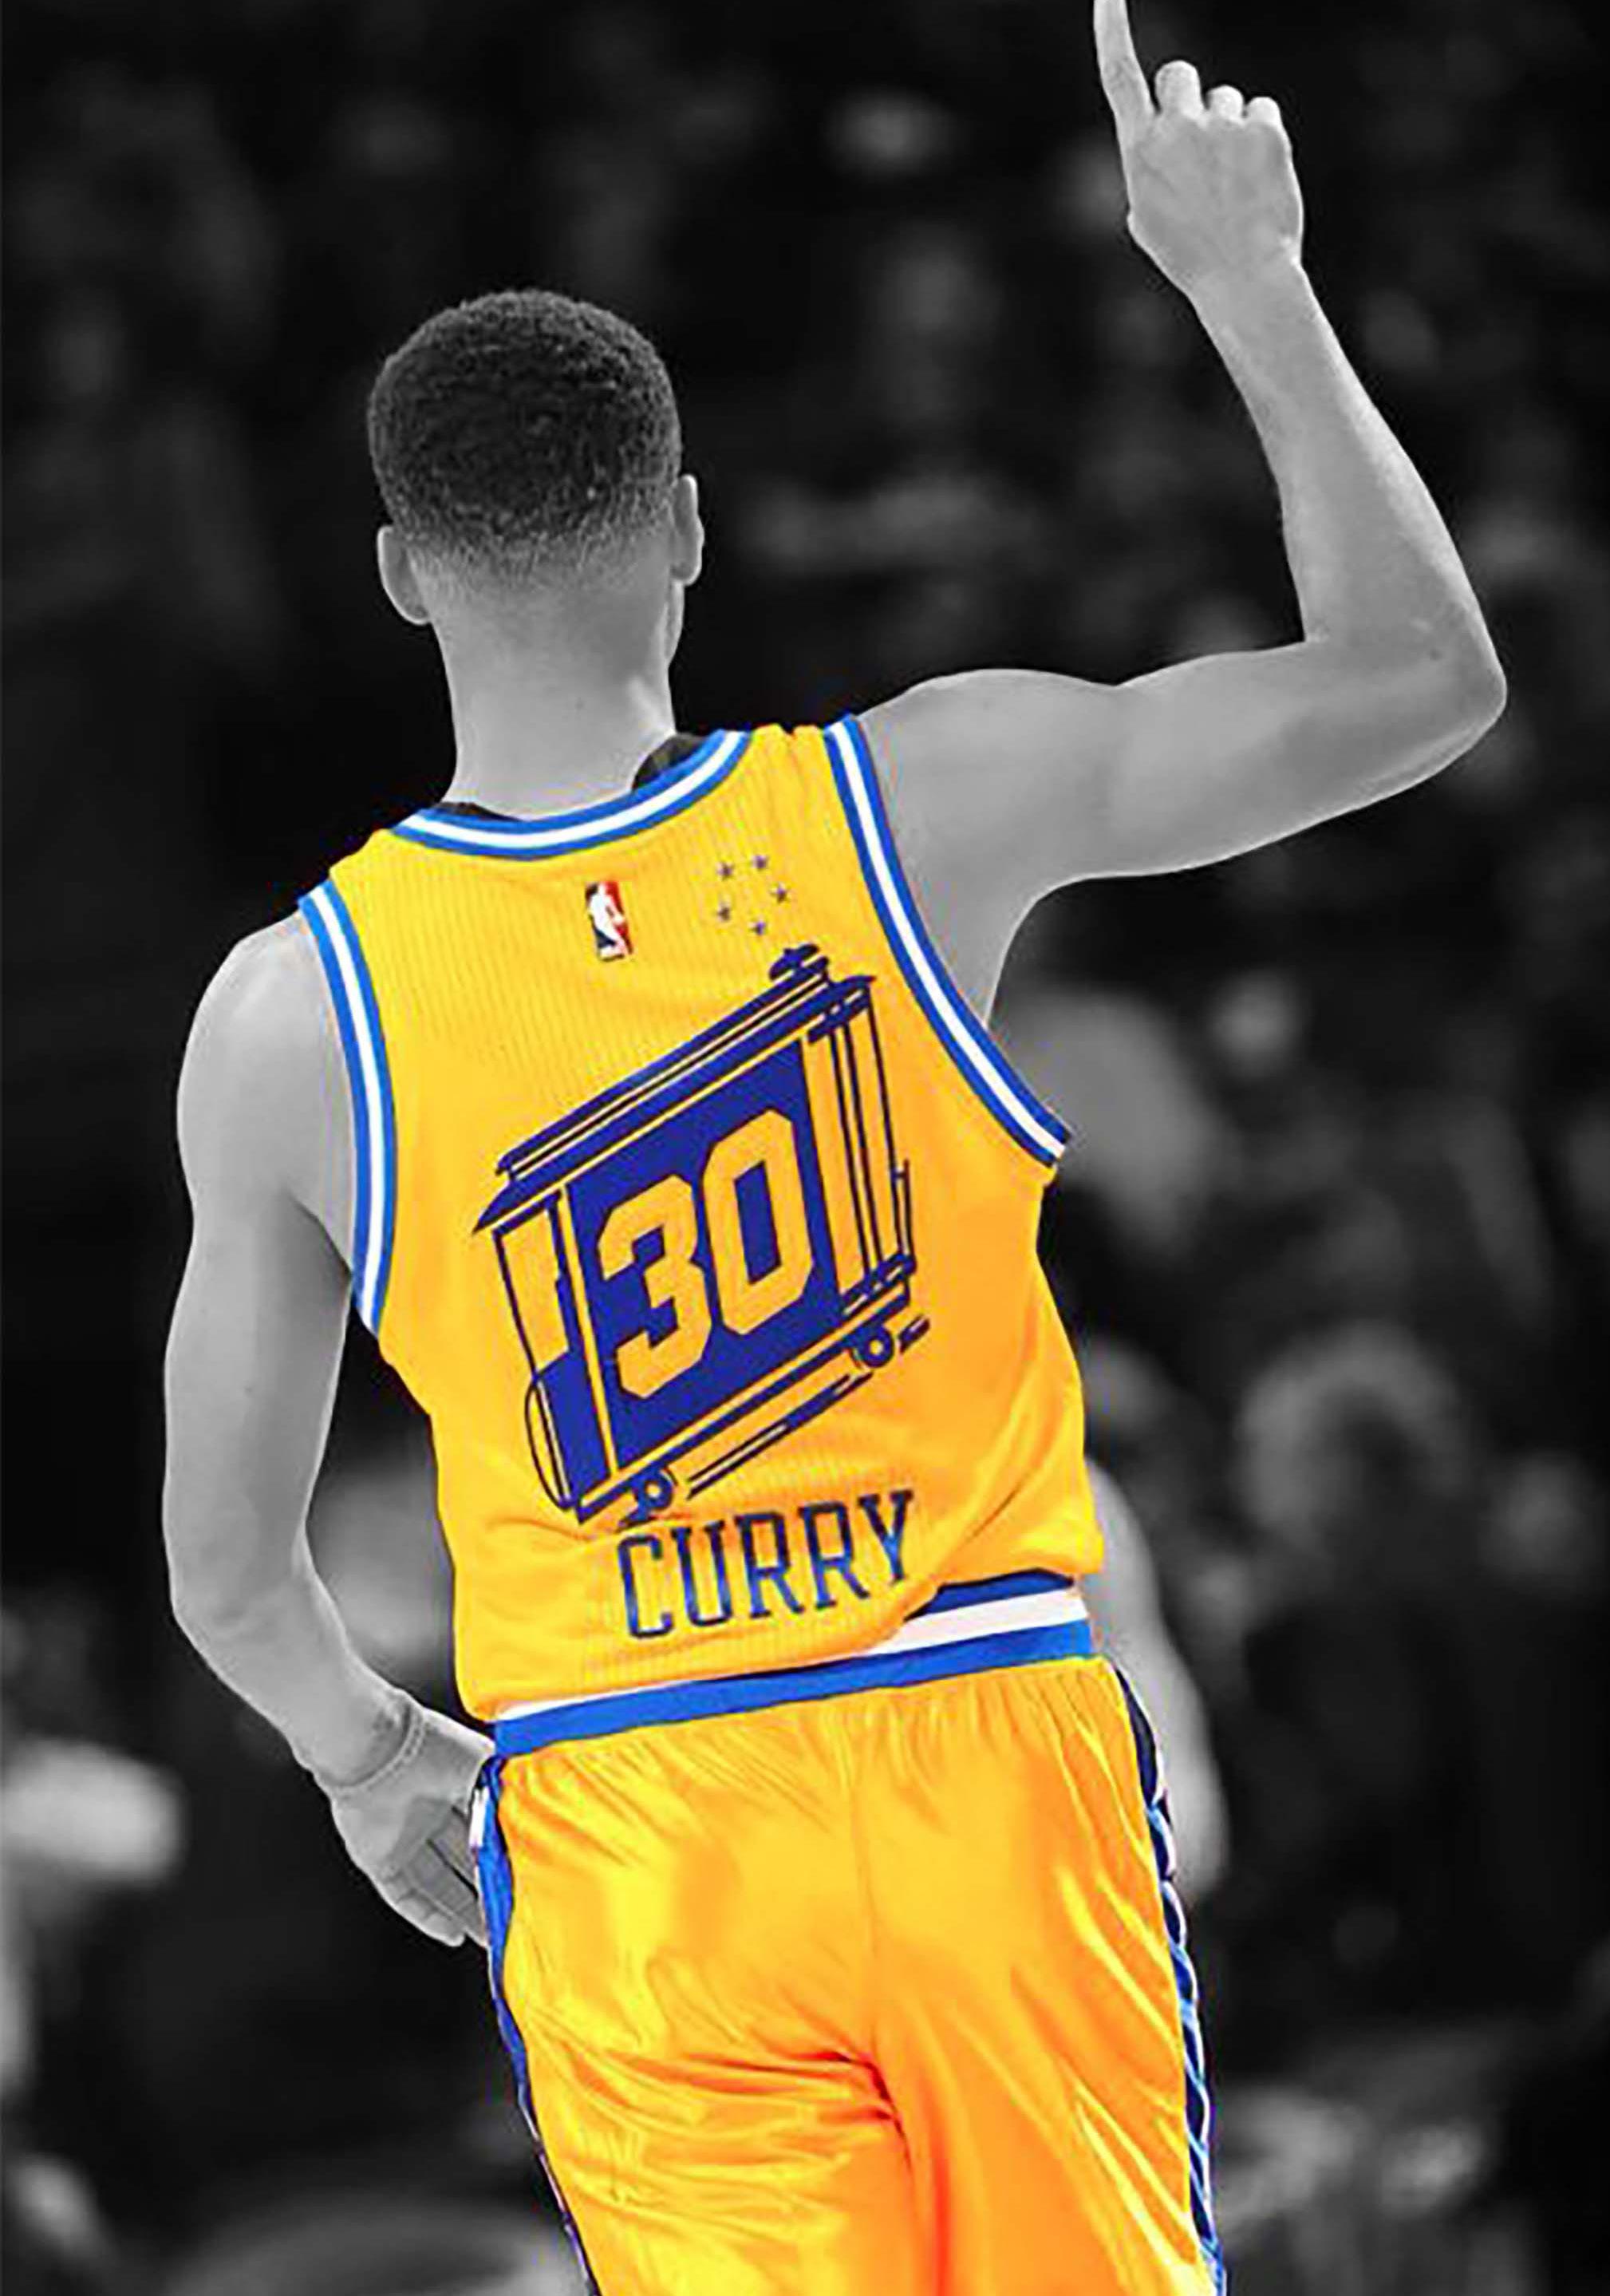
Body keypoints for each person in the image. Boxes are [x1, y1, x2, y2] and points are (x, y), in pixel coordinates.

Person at [160, 3, 1505, 2288]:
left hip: (634, 1803)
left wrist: (373, 1761)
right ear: (691, 529)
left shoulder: (294, 1011)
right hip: (979, 1730)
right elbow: (1422, 684)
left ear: (399, 574)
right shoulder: (917, 806)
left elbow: (228, 1577)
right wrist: (1251, 282)